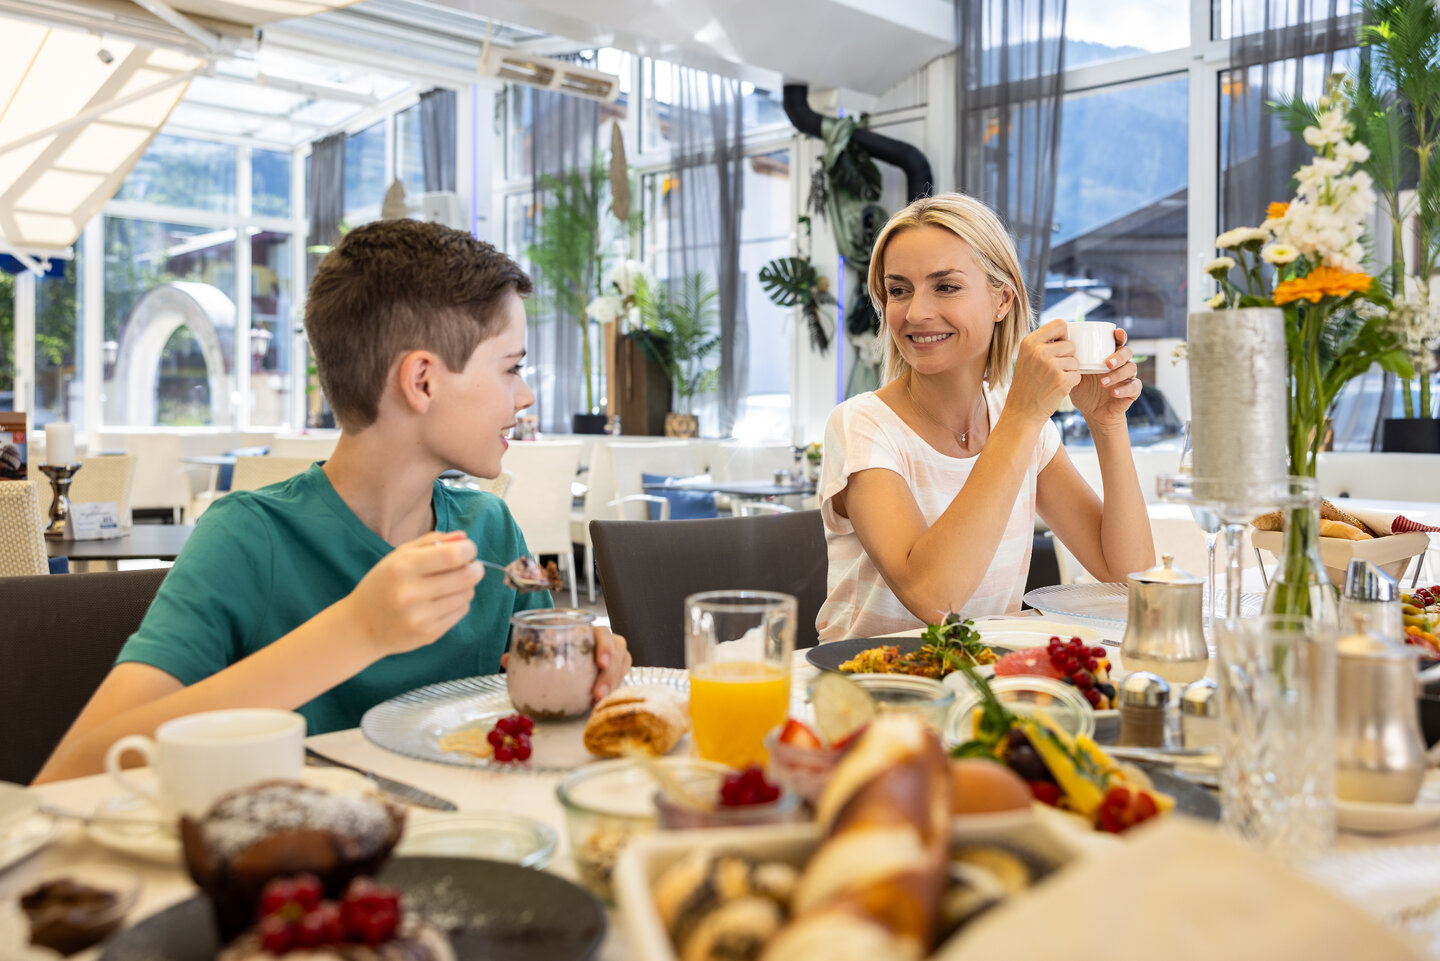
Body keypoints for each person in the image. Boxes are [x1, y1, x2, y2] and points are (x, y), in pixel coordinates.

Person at [36, 220, 630, 782]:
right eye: (511, 368)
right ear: (422, 380)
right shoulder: (248, 537)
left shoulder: (492, 529)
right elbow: (74, 770)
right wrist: (358, 630)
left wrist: (587, 668)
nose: (525, 395)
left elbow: (541, 706)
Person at [816, 193, 1155, 641]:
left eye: (946, 286)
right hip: (872, 691)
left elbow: (1129, 580)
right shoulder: (863, 425)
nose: (916, 312)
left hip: (984, 688)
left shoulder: (1024, 427)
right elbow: (935, 599)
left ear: (1002, 301)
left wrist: (1108, 423)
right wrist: (1022, 415)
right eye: (899, 290)